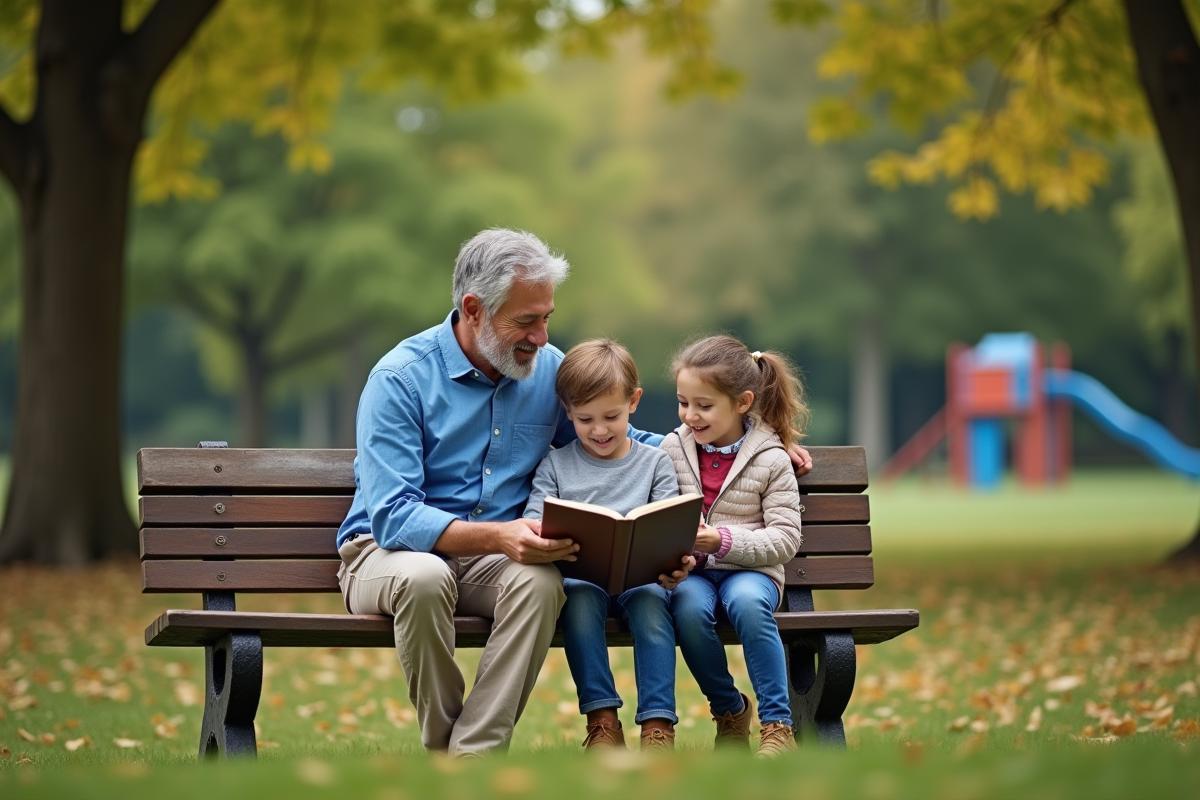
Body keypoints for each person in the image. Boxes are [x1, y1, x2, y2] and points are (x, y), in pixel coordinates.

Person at [335, 229, 675, 758]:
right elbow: (393, 518)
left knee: (541, 585)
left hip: (493, 557)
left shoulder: (547, 373)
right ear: (473, 308)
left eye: (546, 319)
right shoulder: (399, 380)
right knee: (424, 578)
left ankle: (473, 758)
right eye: (525, 321)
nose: (540, 337)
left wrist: (741, 442)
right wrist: (499, 535)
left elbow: (620, 435)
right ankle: (448, 750)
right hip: (386, 555)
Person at [522, 340, 688, 752]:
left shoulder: (655, 462)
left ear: (634, 402)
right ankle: (602, 721)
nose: (599, 430)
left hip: (643, 579)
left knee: (651, 605)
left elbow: (671, 524)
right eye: (585, 419)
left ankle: (657, 725)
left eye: (611, 416)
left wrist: (678, 561)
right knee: (577, 600)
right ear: (567, 410)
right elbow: (533, 520)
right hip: (583, 577)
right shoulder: (556, 464)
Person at [660, 335, 809, 758]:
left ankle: (778, 726)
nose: (690, 415)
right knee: (686, 608)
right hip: (695, 574)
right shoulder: (671, 448)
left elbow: (785, 539)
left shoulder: (771, 457)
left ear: (743, 402)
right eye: (682, 402)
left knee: (746, 603)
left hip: (752, 572)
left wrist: (721, 540)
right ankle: (729, 708)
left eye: (703, 406)